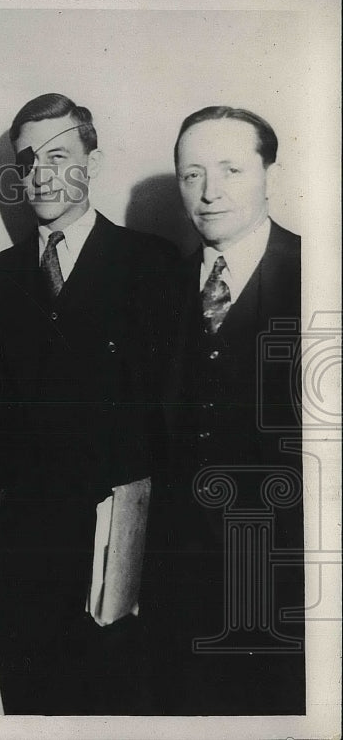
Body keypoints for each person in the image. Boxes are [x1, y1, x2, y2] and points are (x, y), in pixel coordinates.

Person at [0, 94, 177, 714]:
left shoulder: (154, 268)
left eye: (59, 155)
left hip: (122, 568)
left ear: (94, 160)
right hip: (22, 573)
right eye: (28, 161)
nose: (41, 174)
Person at [143, 106, 305, 714]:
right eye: (191, 175)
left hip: (292, 601)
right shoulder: (161, 291)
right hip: (181, 601)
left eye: (231, 170)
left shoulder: (320, 275)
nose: (210, 193)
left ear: (272, 176)